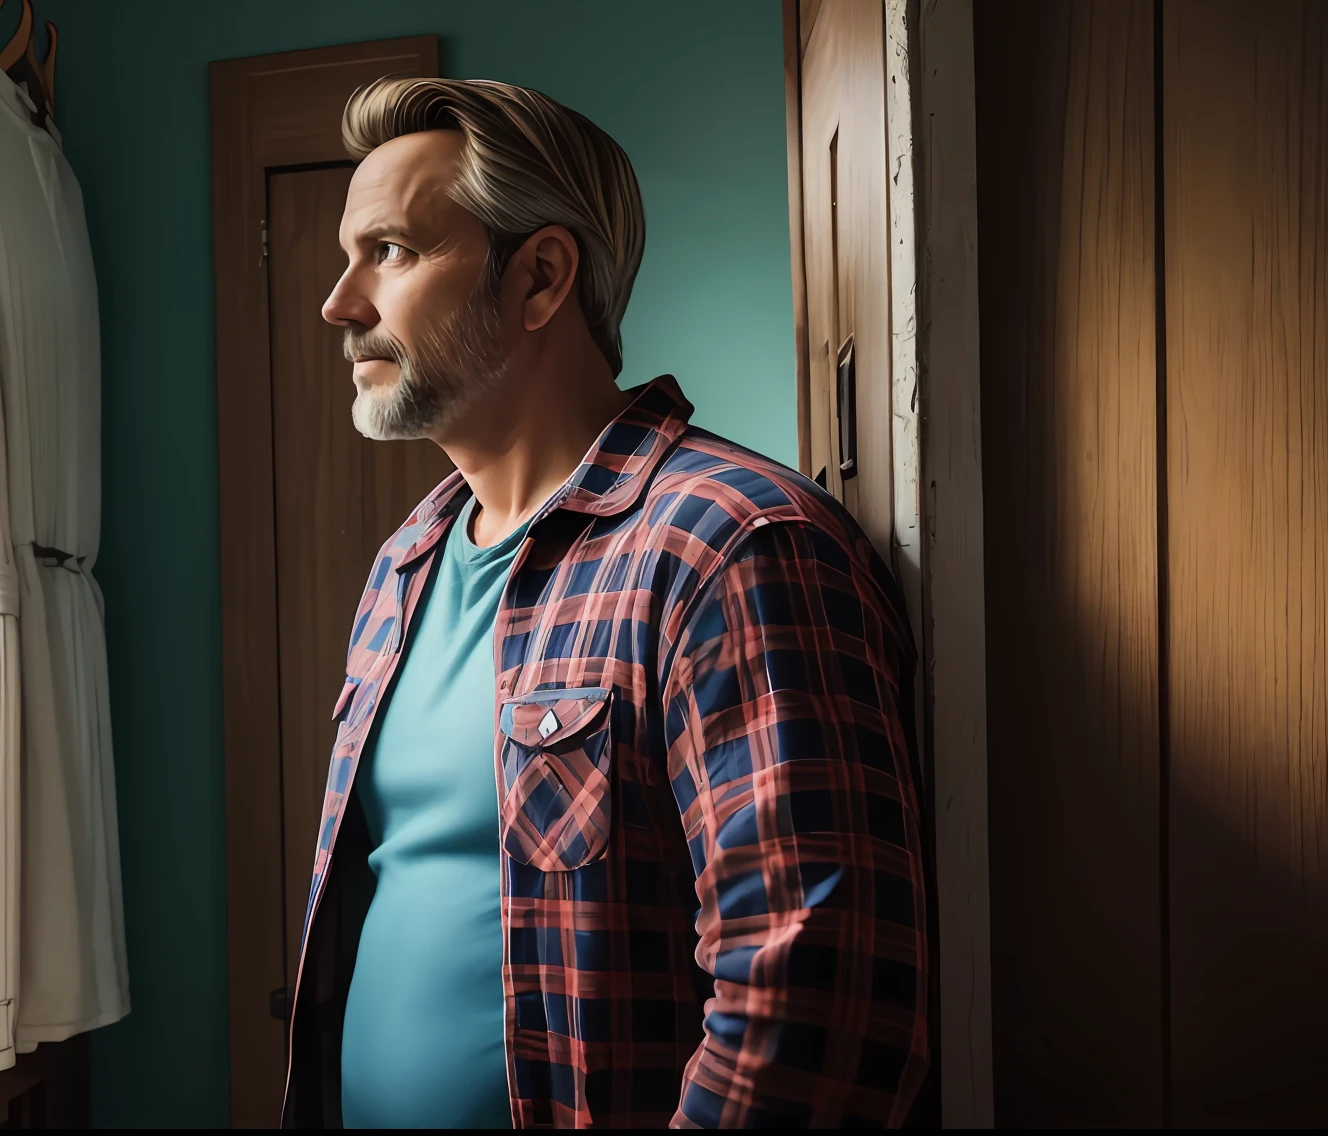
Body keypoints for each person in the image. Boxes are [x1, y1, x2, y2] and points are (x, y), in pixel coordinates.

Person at [281, 78, 931, 1129]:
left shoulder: (732, 549)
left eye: (390, 251)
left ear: (539, 277)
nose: (339, 301)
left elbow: (815, 1015)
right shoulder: (403, 562)